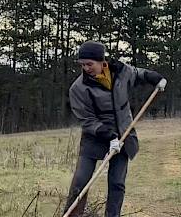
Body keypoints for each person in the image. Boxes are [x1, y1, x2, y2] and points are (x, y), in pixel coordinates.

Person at [64, 40, 167, 217]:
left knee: (117, 183)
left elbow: (138, 73)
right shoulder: (78, 88)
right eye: (83, 65)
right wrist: (109, 136)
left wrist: (156, 78)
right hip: (94, 138)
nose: (86, 68)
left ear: (102, 61)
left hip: (123, 135)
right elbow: (87, 120)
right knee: (80, 182)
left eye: (90, 64)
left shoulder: (121, 72)